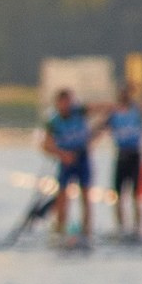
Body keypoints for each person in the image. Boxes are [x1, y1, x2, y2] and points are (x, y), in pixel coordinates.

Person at [39, 87, 94, 241]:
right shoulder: (53, 121)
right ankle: (60, 228)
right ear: (58, 104)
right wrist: (62, 155)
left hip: (81, 157)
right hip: (66, 159)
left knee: (85, 195)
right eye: (62, 103)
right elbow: (45, 145)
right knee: (62, 196)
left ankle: (87, 230)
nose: (66, 106)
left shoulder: (79, 112)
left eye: (68, 102)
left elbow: (99, 107)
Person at [103, 85, 142, 239]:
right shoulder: (113, 113)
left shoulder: (137, 111)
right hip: (121, 155)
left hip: (135, 155)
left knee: (136, 194)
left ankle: (137, 228)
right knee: (118, 194)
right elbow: (100, 128)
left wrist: (141, 88)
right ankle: (121, 227)